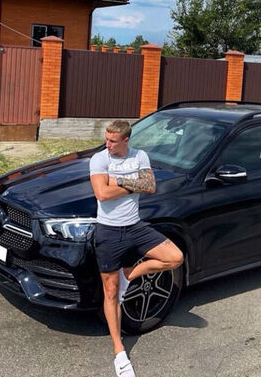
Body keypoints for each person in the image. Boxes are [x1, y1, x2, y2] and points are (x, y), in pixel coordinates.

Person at [89, 120, 184, 377]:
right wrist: (133, 182)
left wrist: (117, 181)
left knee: (174, 257)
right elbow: (102, 194)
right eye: (107, 139)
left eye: (113, 141)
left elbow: (150, 186)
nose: (107, 145)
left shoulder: (140, 156)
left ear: (126, 140)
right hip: (108, 232)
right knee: (111, 293)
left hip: (135, 228)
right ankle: (119, 351)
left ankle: (129, 274)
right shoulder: (99, 159)